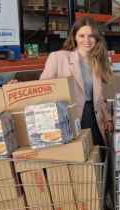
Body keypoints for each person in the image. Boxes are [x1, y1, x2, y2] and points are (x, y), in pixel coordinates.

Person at [40, 17, 113, 146]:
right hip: (71, 116)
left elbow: (98, 96)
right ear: (74, 37)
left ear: (97, 38)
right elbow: (43, 88)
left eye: (91, 36)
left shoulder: (97, 62)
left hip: (94, 117)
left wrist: (107, 118)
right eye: (81, 35)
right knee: (80, 157)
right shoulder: (58, 58)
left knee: (98, 154)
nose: (86, 40)